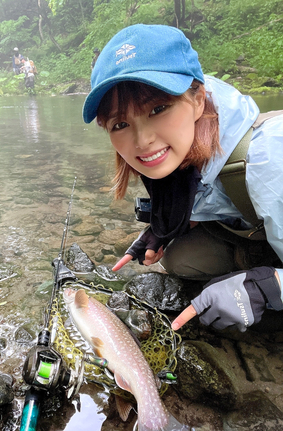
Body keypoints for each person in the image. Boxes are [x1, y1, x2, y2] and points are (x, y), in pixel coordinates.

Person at [82, 24, 283, 333]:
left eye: (158, 108)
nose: (142, 140)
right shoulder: (184, 150)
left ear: (198, 98)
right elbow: (214, 194)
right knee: (181, 258)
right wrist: (169, 225)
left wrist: (266, 288)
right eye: (120, 124)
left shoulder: (269, 159)